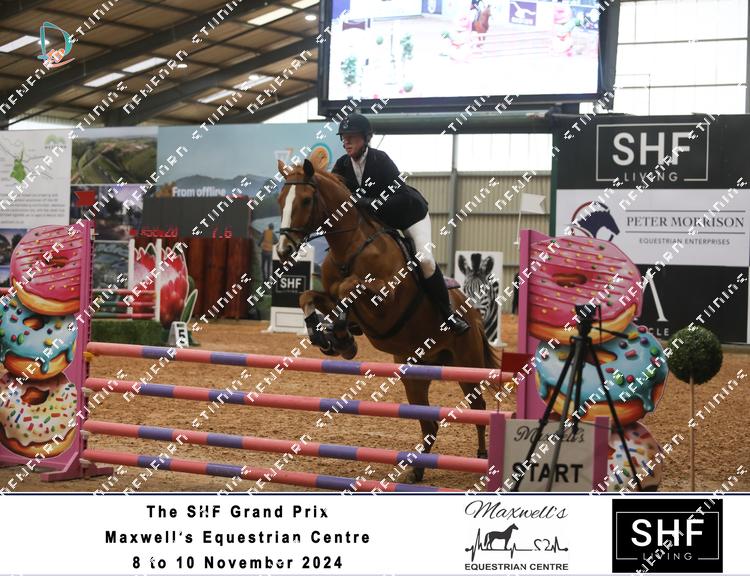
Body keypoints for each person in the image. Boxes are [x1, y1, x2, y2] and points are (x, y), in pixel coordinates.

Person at [331, 113, 469, 335]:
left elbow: (400, 195)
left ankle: (449, 314)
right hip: (382, 223)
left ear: (365, 138)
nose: (346, 142)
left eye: (351, 137)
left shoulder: (380, 160)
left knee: (425, 260)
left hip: (409, 215)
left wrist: (369, 202)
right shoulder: (342, 165)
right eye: (344, 138)